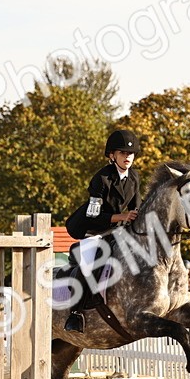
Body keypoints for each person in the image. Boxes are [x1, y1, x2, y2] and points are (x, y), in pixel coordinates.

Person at [62, 129, 142, 332]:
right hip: (93, 230)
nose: (128, 157)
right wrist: (122, 217)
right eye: (123, 153)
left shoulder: (133, 177)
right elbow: (93, 214)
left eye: (130, 154)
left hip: (116, 230)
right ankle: (75, 313)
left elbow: (137, 207)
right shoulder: (101, 179)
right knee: (90, 263)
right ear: (112, 155)